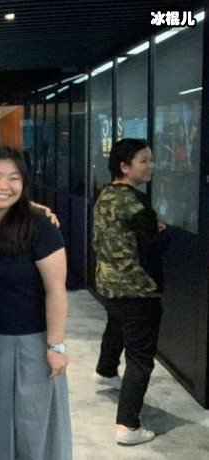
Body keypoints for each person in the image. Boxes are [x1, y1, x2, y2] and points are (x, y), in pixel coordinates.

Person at [0, 145, 72, 460]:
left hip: (33, 344)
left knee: (34, 431)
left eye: (14, 178)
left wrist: (56, 346)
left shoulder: (39, 225)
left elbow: (56, 289)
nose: (4, 186)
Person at [92, 138, 169, 446]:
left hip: (108, 283)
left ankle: (105, 370)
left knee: (117, 326)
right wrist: (164, 233)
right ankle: (128, 425)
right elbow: (153, 248)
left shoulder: (106, 195)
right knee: (140, 358)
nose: (150, 166)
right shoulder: (137, 204)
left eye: (151, 159)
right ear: (125, 167)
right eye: (144, 161)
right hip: (138, 289)